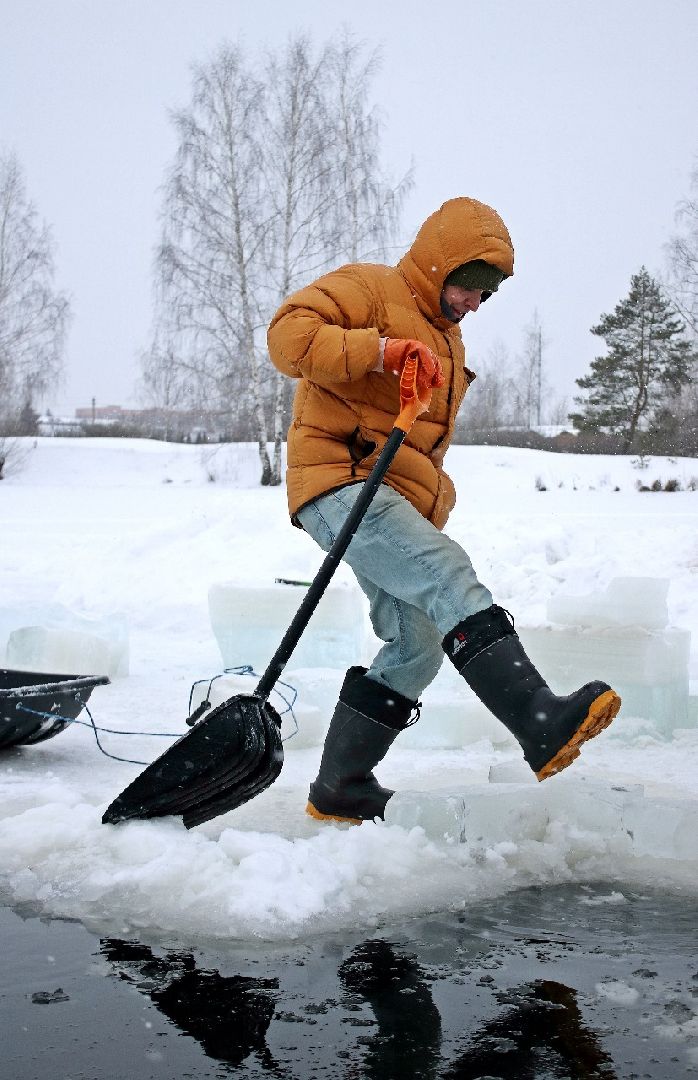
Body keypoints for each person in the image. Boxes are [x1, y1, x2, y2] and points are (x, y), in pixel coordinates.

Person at [267, 196, 621, 825]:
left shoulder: (447, 339)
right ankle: (538, 719)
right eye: (471, 285)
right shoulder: (371, 289)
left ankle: (340, 786)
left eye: (488, 294)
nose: (475, 304)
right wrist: (380, 350)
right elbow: (288, 335)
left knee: (416, 643)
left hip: (384, 494)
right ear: (439, 264)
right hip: (340, 482)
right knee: (445, 574)